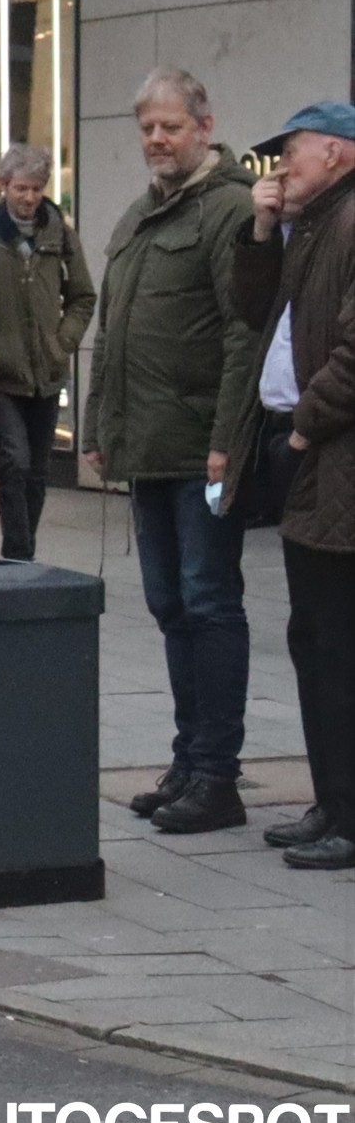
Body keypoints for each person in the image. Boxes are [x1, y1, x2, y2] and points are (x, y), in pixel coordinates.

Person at [86, 67, 262, 835]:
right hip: (147, 447)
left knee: (208, 600)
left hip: (201, 451)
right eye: (148, 129)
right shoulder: (139, 215)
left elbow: (243, 333)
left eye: (171, 127)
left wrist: (228, 442)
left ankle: (218, 775)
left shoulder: (225, 211)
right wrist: (97, 427)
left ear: (205, 125)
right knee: (167, 605)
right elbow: (112, 332)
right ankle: (188, 761)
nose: (158, 140)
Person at [226, 101, 355, 869]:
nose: (278, 170)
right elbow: (252, 309)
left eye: (292, 154)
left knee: (335, 645)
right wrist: (263, 230)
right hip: (314, 460)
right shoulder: (311, 228)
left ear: (337, 153)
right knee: (316, 642)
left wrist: (305, 423)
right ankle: (332, 801)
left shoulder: (348, 223)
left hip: (333, 457)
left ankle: (347, 812)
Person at [0, 145, 97, 561]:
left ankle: (24, 552)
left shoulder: (59, 235)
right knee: (15, 463)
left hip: (48, 369)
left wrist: (63, 341)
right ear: (3, 186)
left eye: (36, 189)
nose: (29, 198)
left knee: (39, 471)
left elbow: (83, 295)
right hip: (3, 372)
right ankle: (17, 554)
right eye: (21, 188)